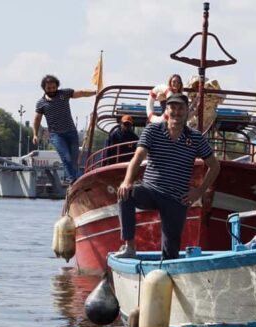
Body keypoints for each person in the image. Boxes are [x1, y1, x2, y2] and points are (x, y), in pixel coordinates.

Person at [115, 93, 220, 260]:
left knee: (171, 253)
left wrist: (199, 192)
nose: (176, 112)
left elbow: (215, 166)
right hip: (150, 190)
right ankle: (130, 247)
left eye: (181, 108)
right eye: (173, 108)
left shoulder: (195, 138)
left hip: (176, 198)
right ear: (166, 110)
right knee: (125, 195)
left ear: (187, 112)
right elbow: (138, 157)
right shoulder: (153, 130)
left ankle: (167, 274)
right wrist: (127, 181)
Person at [32, 75, 96, 183]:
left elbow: (81, 93)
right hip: (56, 135)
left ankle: (78, 179)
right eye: (49, 88)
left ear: (57, 86)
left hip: (71, 132)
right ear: (44, 88)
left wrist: (95, 92)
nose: (52, 90)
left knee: (74, 159)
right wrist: (35, 134)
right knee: (66, 157)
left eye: (54, 87)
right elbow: (37, 119)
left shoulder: (64, 94)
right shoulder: (41, 103)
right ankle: (74, 179)